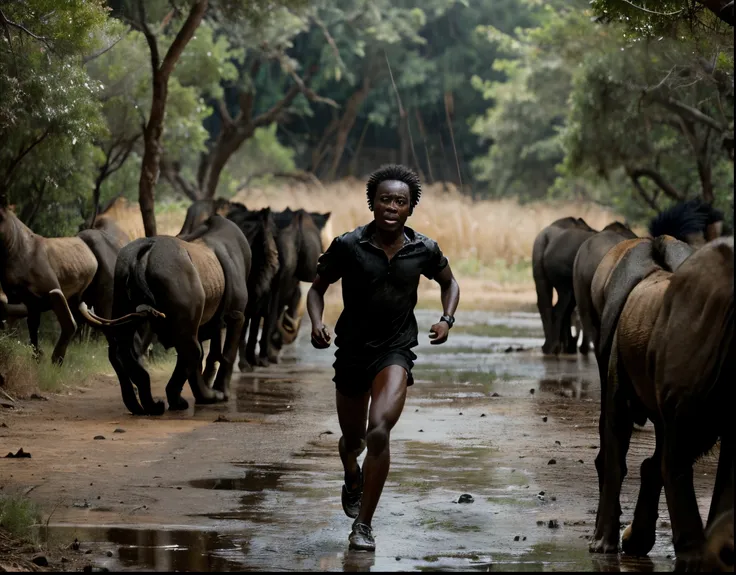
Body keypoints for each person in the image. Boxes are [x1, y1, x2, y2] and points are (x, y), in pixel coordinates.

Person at [306, 164, 461, 552]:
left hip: (396, 350)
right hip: (352, 351)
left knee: (379, 431)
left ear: (410, 209)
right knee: (353, 440)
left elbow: (449, 282)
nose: (392, 206)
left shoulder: (423, 249)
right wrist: (315, 322)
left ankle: (363, 525)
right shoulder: (348, 245)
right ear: (372, 204)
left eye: (401, 201)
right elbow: (316, 288)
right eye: (385, 199)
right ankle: (351, 473)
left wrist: (446, 319)